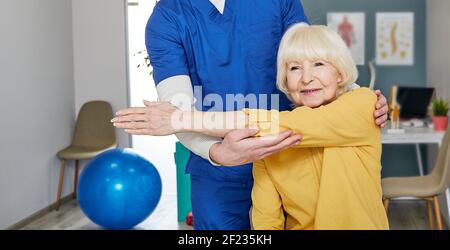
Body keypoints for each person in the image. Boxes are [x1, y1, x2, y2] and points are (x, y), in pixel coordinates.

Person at [114, 0, 389, 230]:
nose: (305, 76)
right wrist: (217, 152)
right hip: (219, 170)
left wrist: (356, 97)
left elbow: (310, 54)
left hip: (288, 149)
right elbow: (178, 106)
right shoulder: (167, 19)